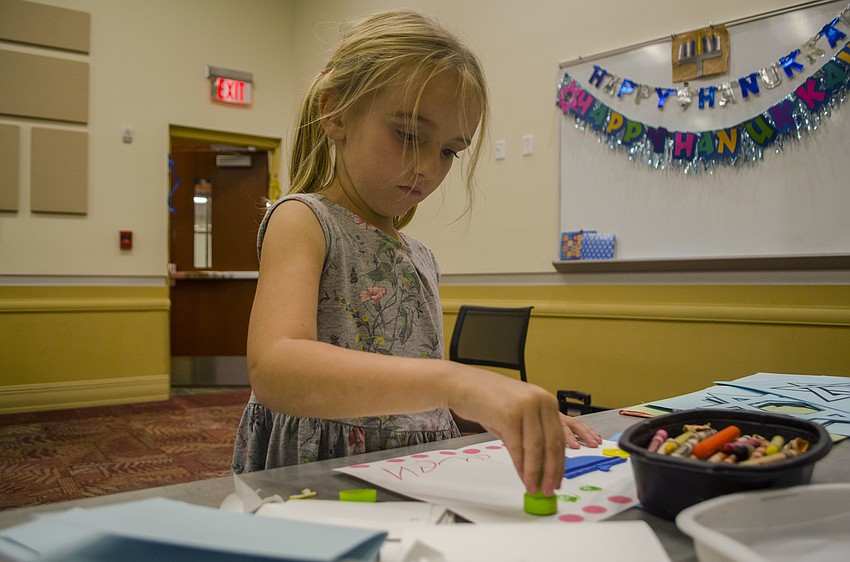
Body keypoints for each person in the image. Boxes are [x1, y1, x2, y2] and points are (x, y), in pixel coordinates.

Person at [231, 10, 601, 497]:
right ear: (336, 113)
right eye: (408, 135)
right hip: (323, 471)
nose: (428, 167)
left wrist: (504, 405)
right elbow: (276, 368)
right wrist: (457, 381)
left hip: (413, 466)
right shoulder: (303, 219)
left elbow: (412, 390)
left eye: (450, 151)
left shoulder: (421, 255)